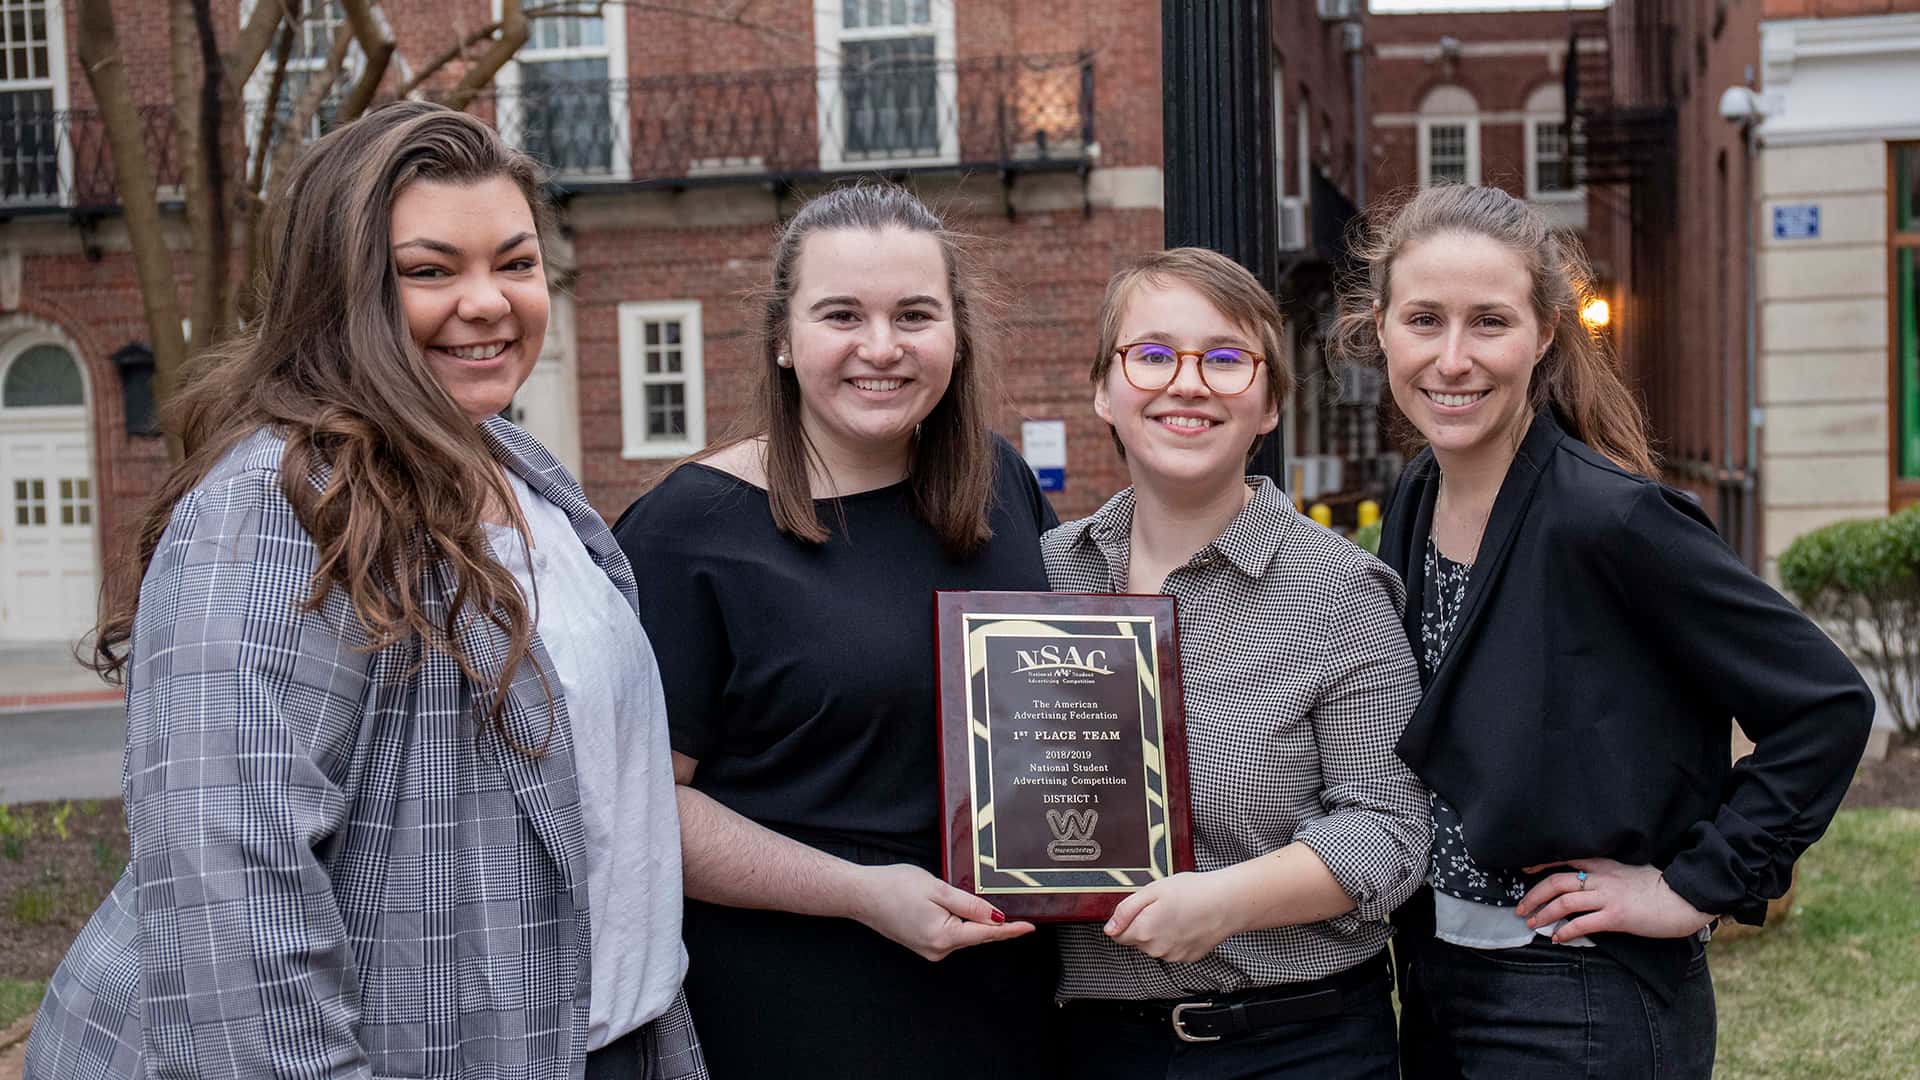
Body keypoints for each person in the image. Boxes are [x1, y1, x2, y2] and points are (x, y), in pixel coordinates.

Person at [24, 102, 702, 1080]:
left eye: (515, 263)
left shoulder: (520, 472)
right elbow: (228, 908)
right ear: (344, 291)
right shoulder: (278, 505)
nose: (488, 301)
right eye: (430, 270)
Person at [1335, 183, 1875, 1079]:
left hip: (1581, 999)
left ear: (1546, 333)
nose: (1453, 357)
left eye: (1490, 323)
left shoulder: (1611, 517)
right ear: (1382, 327)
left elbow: (1825, 704)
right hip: (1436, 978)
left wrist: (1690, 888)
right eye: (1424, 319)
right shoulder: (1419, 492)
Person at [611, 183, 1059, 1078]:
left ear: (956, 334)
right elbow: (641, 810)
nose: (881, 347)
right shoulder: (688, 530)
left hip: (1007, 1007)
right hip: (800, 1013)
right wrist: (858, 894)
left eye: (915, 314)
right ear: (783, 337)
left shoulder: (1000, 486)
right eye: (842, 314)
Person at [1042, 247, 1430, 1079]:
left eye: (1226, 360)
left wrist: (1224, 904)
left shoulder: (1341, 590)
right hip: (1084, 1050)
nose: (1187, 383)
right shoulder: (1037, 578)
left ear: (1267, 406)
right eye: (1151, 355)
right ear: (1102, 390)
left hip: (1294, 1045)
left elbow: (1392, 830)